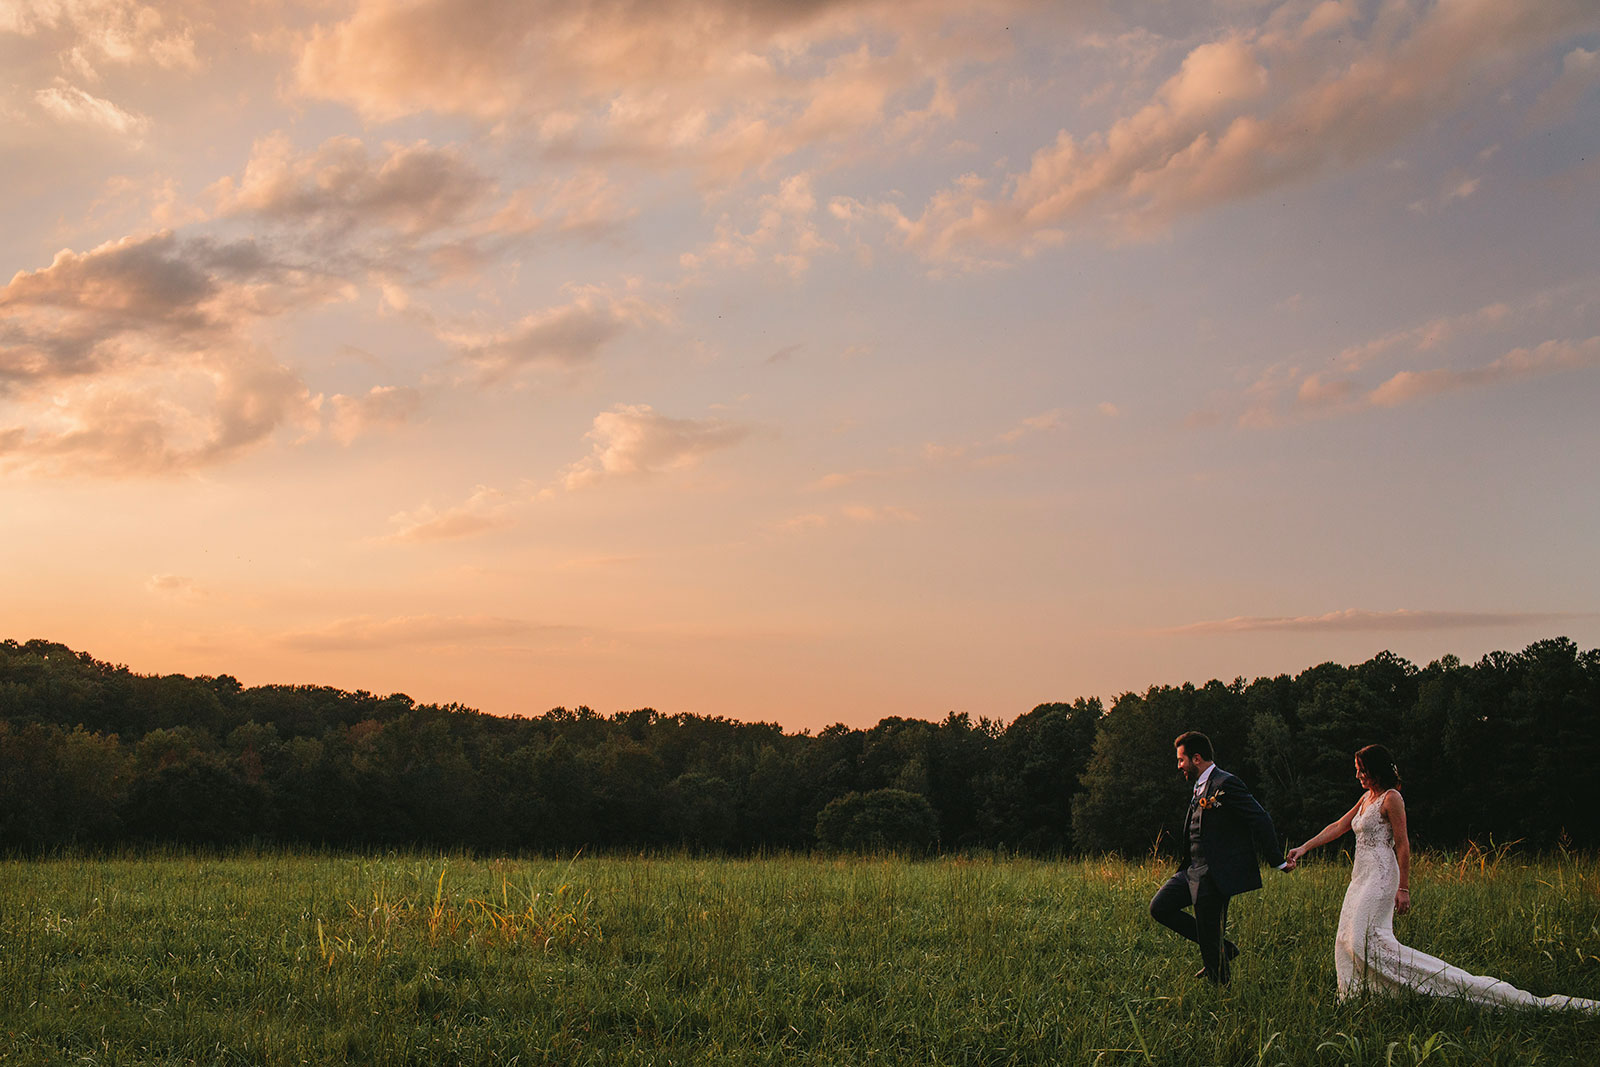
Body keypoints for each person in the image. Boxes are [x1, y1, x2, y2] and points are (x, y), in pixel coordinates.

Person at [1287, 744, 1599, 1011]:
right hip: (1360, 876)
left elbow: (1403, 844)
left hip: (1382, 877)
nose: (1357, 775)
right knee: (1348, 940)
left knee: (1366, 941)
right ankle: (1364, 996)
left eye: (1362, 769)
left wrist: (1404, 888)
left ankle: (1434, 985)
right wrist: (1303, 847)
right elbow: (1339, 826)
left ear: (1377, 770)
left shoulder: (1391, 798)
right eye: (1356, 769)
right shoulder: (1367, 797)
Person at [1149, 731, 1290, 984]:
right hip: (1191, 868)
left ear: (1197, 758)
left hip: (1214, 872)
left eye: (1181, 760)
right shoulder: (1199, 786)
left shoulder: (1226, 783)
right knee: (1159, 907)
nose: (1178, 765)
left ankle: (1221, 995)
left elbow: (1260, 818)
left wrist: (1276, 860)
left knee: (1209, 933)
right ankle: (1224, 949)